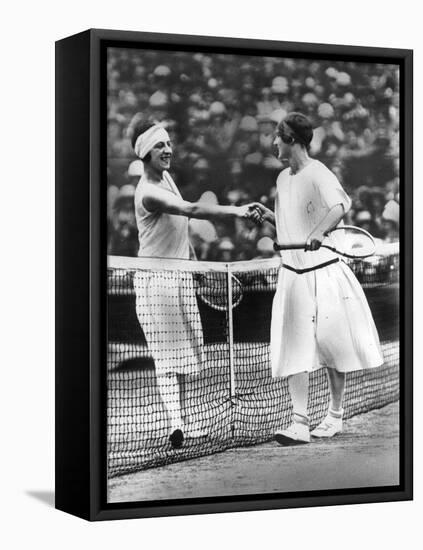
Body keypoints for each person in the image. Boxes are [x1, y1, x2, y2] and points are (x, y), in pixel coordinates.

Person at [130, 121, 262, 449]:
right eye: (160, 146)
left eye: (169, 144)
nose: (168, 150)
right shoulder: (147, 191)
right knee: (165, 357)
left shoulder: (167, 177)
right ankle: (177, 423)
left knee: (186, 356)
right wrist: (237, 210)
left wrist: (193, 263)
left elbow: (182, 223)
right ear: (146, 152)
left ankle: (184, 423)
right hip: (155, 282)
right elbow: (190, 208)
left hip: (180, 276)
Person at [255, 112, 383, 444]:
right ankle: (299, 422)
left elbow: (341, 204)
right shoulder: (283, 179)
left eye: (277, 137)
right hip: (293, 276)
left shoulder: (319, 172)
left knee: (332, 346)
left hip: (324, 273)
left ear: (292, 140)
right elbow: (289, 224)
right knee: (293, 347)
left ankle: (335, 415)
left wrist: (318, 231)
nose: (273, 144)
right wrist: (269, 217)